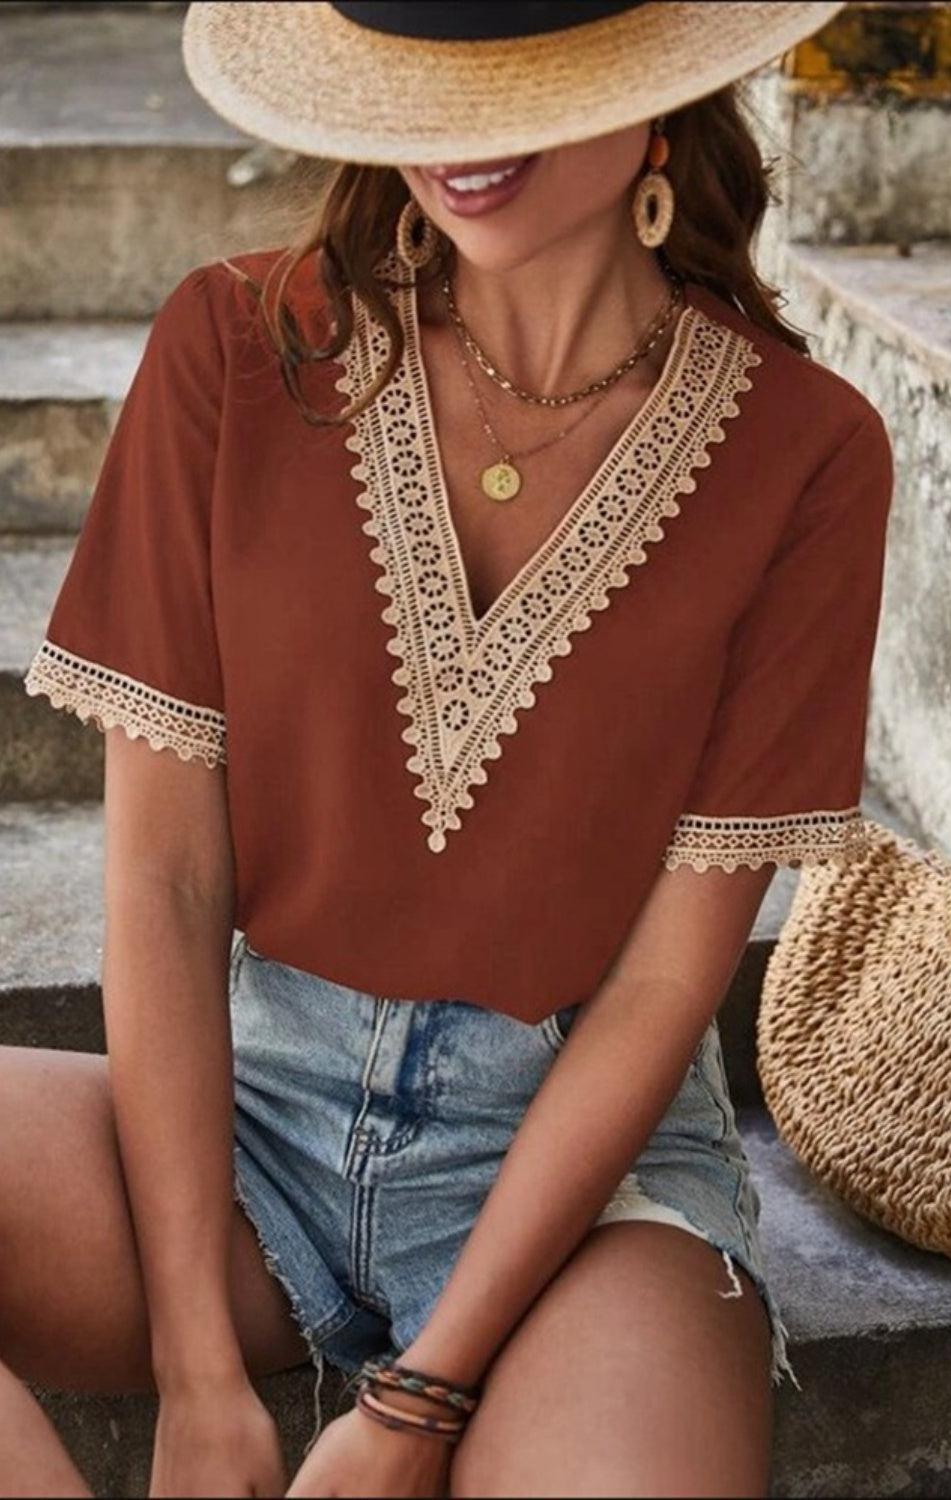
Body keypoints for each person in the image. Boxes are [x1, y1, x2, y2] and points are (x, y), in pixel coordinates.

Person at [4, 2, 894, 1496]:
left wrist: (418, 1402)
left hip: (585, 1184)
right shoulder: (236, 349)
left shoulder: (806, 455)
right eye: (424, 85)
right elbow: (162, 881)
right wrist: (193, 1371)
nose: (462, 140)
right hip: (251, 1118)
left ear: (660, 101)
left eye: (524, 82)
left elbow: (674, 982)